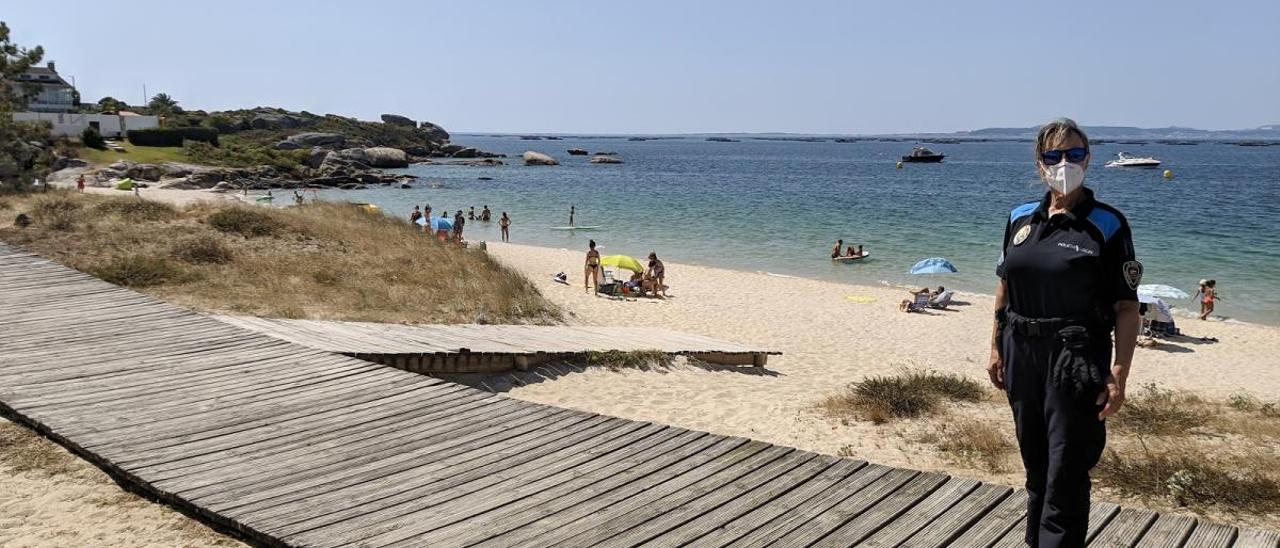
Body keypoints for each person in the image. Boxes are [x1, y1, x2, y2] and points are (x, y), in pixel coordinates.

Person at [988, 118, 1139, 548]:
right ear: (1039, 163)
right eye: (1053, 156)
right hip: (1020, 352)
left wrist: (1119, 374)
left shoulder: (1107, 224)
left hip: (1074, 356)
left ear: (1088, 159)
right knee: (1035, 466)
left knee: (1066, 470)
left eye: (1074, 154)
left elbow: (1127, 307)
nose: (1064, 163)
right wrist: (995, 348)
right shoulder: (1020, 218)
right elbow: (1004, 286)